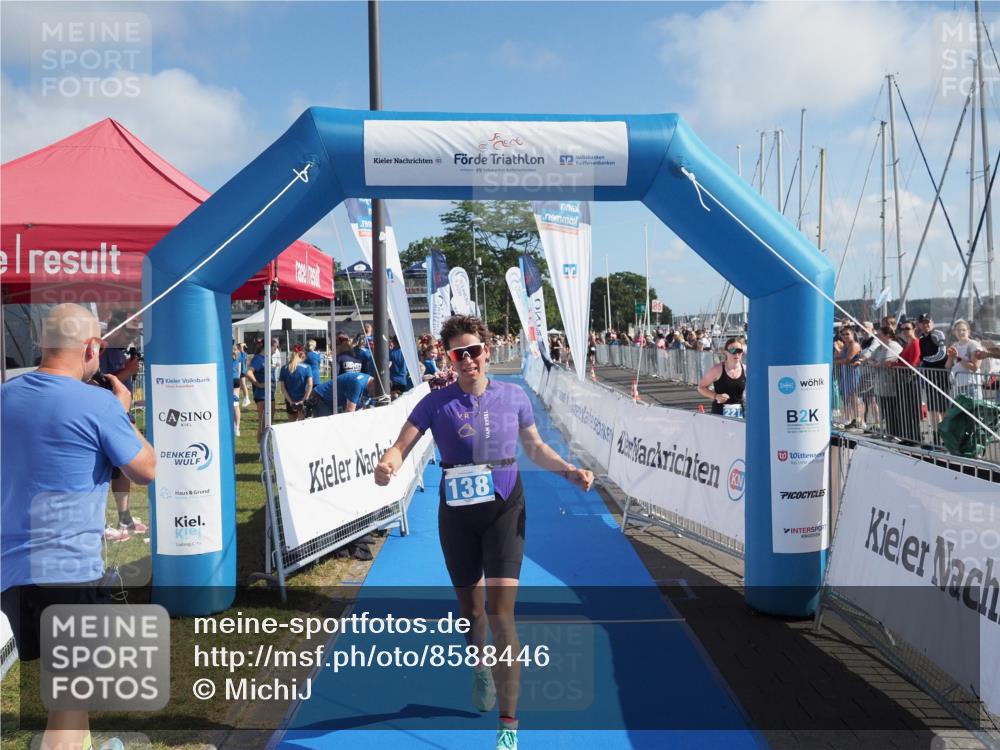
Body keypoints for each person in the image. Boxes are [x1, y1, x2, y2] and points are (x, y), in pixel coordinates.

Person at [375, 315, 594, 750]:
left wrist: (568, 469)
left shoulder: (513, 397)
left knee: (501, 614)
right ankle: (480, 668)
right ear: (449, 358)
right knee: (472, 613)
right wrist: (388, 464)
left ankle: (508, 727)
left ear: (487, 352)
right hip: (457, 515)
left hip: (505, 509)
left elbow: (534, 446)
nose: (468, 359)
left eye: (475, 350)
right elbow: (401, 446)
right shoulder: (435, 403)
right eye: (459, 353)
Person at [1, 304, 156, 750]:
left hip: (12, 575)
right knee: (67, 708)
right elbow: (146, 469)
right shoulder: (98, 403)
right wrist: (121, 410)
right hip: (70, 571)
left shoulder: (5, 395)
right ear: (92, 348)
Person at [99, 310, 148, 540]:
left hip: (122, 416)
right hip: (105, 417)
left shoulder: (118, 350)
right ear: (116, 328)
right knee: (103, 470)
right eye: (129, 332)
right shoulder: (103, 349)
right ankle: (101, 522)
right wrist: (129, 370)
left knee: (122, 469)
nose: (132, 337)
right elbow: (100, 382)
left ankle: (124, 517)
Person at [696, 337, 746, 417]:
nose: (736, 354)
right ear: (726, 352)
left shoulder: (745, 369)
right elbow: (701, 387)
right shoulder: (717, 369)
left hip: (739, 414)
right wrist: (716, 396)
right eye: (733, 351)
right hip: (719, 413)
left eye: (739, 351)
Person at [917, 313, 949, 434]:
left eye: (928, 322)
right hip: (929, 377)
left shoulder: (938, 334)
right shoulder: (921, 338)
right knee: (932, 408)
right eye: (923, 322)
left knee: (943, 408)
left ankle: (947, 435)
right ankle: (936, 435)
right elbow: (922, 356)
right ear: (919, 325)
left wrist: (924, 361)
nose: (926, 325)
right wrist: (920, 361)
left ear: (932, 323)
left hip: (941, 377)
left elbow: (942, 354)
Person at [246, 338, 276, 442]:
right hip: (262, 395)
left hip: (270, 394)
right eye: (275, 347)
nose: (275, 350)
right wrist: (258, 384)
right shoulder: (258, 359)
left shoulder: (267, 358)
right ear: (269, 347)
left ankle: (266, 447)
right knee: (263, 423)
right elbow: (249, 373)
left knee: (269, 423)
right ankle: (262, 451)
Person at [947, 319, 984, 400]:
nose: (961, 332)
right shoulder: (955, 345)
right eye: (958, 330)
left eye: (963, 330)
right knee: (960, 412)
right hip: (957, 386)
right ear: (954, 332)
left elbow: (975, 367)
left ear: (969, 331)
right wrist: (950, 356)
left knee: (973, 412)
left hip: (971, 386)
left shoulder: (974, 345)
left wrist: (957, 357)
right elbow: (948, 366)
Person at [279, 348, 314, 422]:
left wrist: (290, 401)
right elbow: (310, 385)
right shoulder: (307, 367)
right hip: (302, 400)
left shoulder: (284, 368)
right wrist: (304, 400)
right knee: (302, 425)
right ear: (303, 356)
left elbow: (282, 388)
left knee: (291, 424)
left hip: (290, 400)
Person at [232, 342, 244, 437]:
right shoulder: (239, 353)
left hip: (228, 380)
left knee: (228, 404)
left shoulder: (225, 351)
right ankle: (237, 428)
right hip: (236, 379)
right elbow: (240, 369)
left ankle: (234, 426)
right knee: (236, 405)